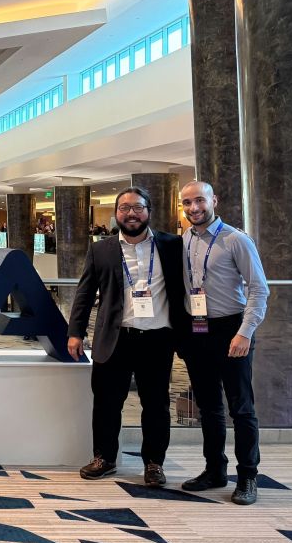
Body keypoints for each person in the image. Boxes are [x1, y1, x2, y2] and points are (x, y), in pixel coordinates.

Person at [67, 186, 187, 487]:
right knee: (107, 403)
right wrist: (75, 332)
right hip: (114, 338)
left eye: (137, 207)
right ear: (115, 213)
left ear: (148, 211)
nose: (131, 213)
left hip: (158, 339)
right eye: (124, 208)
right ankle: (104, 458)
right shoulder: (101, 249)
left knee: (156, 404)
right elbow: (84, 294)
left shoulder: (172, 245)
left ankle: (154, 463)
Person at [178, 180, 269, 505]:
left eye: (199, 201)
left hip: (232, 329)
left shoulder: (236, 239)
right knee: (209, 407)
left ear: (213, 200)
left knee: (241, 408)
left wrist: (245, 332)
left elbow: (259, 289)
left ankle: (247, 477)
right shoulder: (186, 238)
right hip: (198, 330)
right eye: (187, 203)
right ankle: (215, 469)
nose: (194, 208)